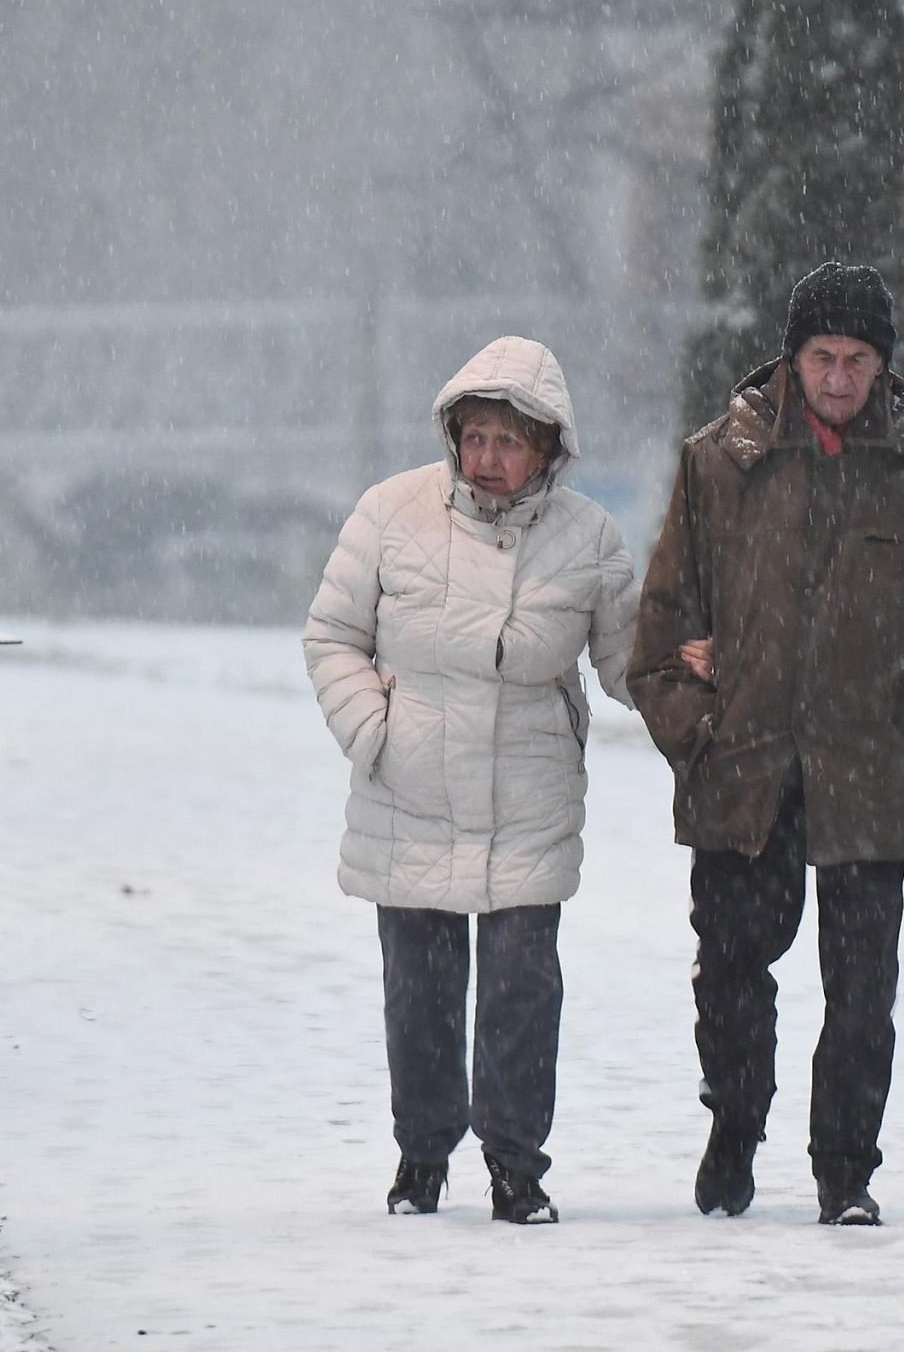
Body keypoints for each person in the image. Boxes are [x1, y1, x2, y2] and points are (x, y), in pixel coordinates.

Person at [631, 261, 904, 1226]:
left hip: (871, 777)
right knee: (733, 972)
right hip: (742, 770)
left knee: (862, 992)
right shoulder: (718, 463)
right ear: (792, 360)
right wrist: (698, 734)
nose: (840, 376)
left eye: (859, 358)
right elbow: (662, 630)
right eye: (824, 356)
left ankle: (846, 1172)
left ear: (885, 366)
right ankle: (735, 1123)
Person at [304, 335, 638, 1225]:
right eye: (475, 436)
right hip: (409, 791)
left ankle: (516, 1166)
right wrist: (374, 732)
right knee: (419, 991)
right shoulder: (389, 514)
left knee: (523, 991)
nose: (488, 458)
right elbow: (331, 635)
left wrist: (703, 667)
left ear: (548, 448)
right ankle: (421, 1157)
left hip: (528, 796)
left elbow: (630, 662)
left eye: (509, 440)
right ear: (453, 434)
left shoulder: (590, 540)